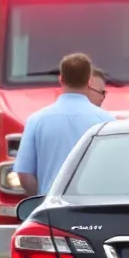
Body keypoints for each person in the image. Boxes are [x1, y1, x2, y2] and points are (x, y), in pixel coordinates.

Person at [14, 53, 114, 196]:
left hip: (52, 208)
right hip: (93, 206)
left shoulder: (37, 120)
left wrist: (42, 199)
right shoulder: (106, 121)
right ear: (90, 81)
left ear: (61, 80)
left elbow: (25, 174)